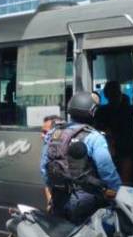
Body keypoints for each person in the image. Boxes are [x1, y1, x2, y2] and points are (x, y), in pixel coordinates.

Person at [41, 91, 122, 224]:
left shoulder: (53, 133)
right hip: (87, 202)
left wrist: (53, 192)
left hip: (59, 198)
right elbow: (107, 171)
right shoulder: (94, 137)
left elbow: (44, 169)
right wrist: (119, 193)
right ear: (93, 112)